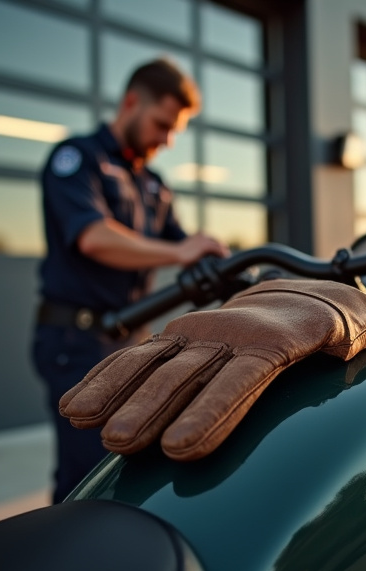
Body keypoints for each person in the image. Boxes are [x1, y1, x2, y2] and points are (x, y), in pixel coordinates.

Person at [32, 58, 229, 504]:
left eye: (175, 129)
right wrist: (180, 251)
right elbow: (94, 238)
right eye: (162, 124)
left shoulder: (154, 184)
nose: (168, 139)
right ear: (131, 102)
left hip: (129, 341)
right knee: (88, 480)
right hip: (75, 340)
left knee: (126, 470)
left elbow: (186, 249)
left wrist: (212, 258)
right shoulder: (78, 159)